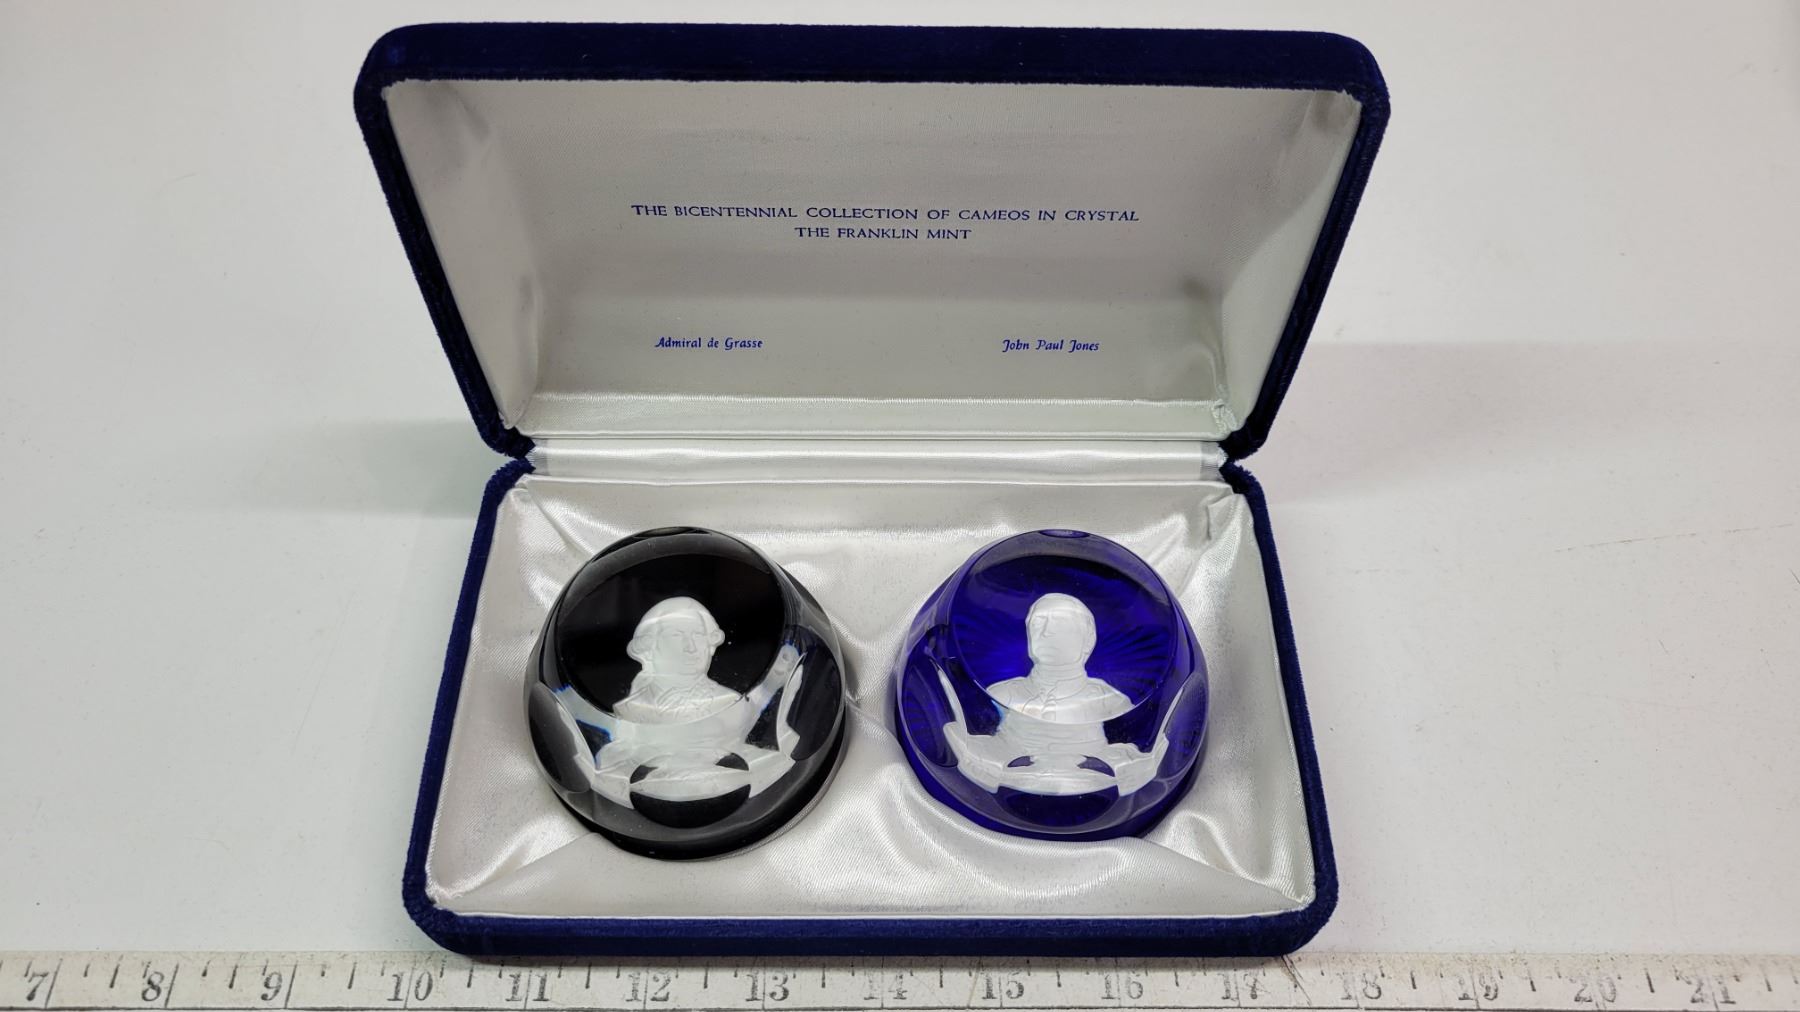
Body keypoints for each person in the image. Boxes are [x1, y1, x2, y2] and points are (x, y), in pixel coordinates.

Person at [986, 593, 1132, 723]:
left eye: (1060, 622)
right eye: (1038, 623)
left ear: (1088, 640)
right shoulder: (1001, 694)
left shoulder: (1111, 703)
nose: (1046, 632)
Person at [611, 596, 740, 722]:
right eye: (676, 635)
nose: (691, 647)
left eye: (698, 634)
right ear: (649, 648)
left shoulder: (731, 704)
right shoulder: (629, 710)